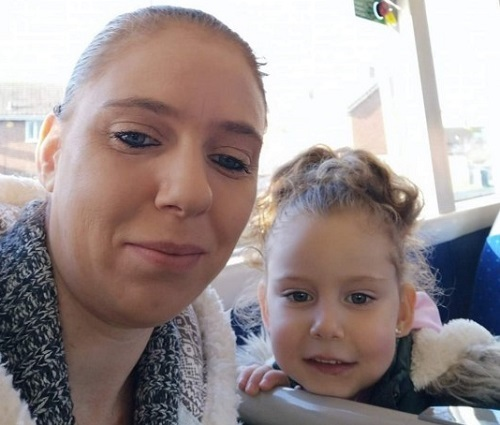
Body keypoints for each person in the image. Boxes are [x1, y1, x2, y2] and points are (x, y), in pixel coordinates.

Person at [0, 5, 267, 425]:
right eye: (135, 137)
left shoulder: (215, 383)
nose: (190, 193)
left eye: (231, 160)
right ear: (52, 154)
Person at [236, 145, 500, 415]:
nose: (326, 326)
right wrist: (282, 402)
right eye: (299, 296)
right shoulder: (262, 392)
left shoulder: (449, 393)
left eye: (359, 298)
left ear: (402, 313)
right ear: (267, 309)